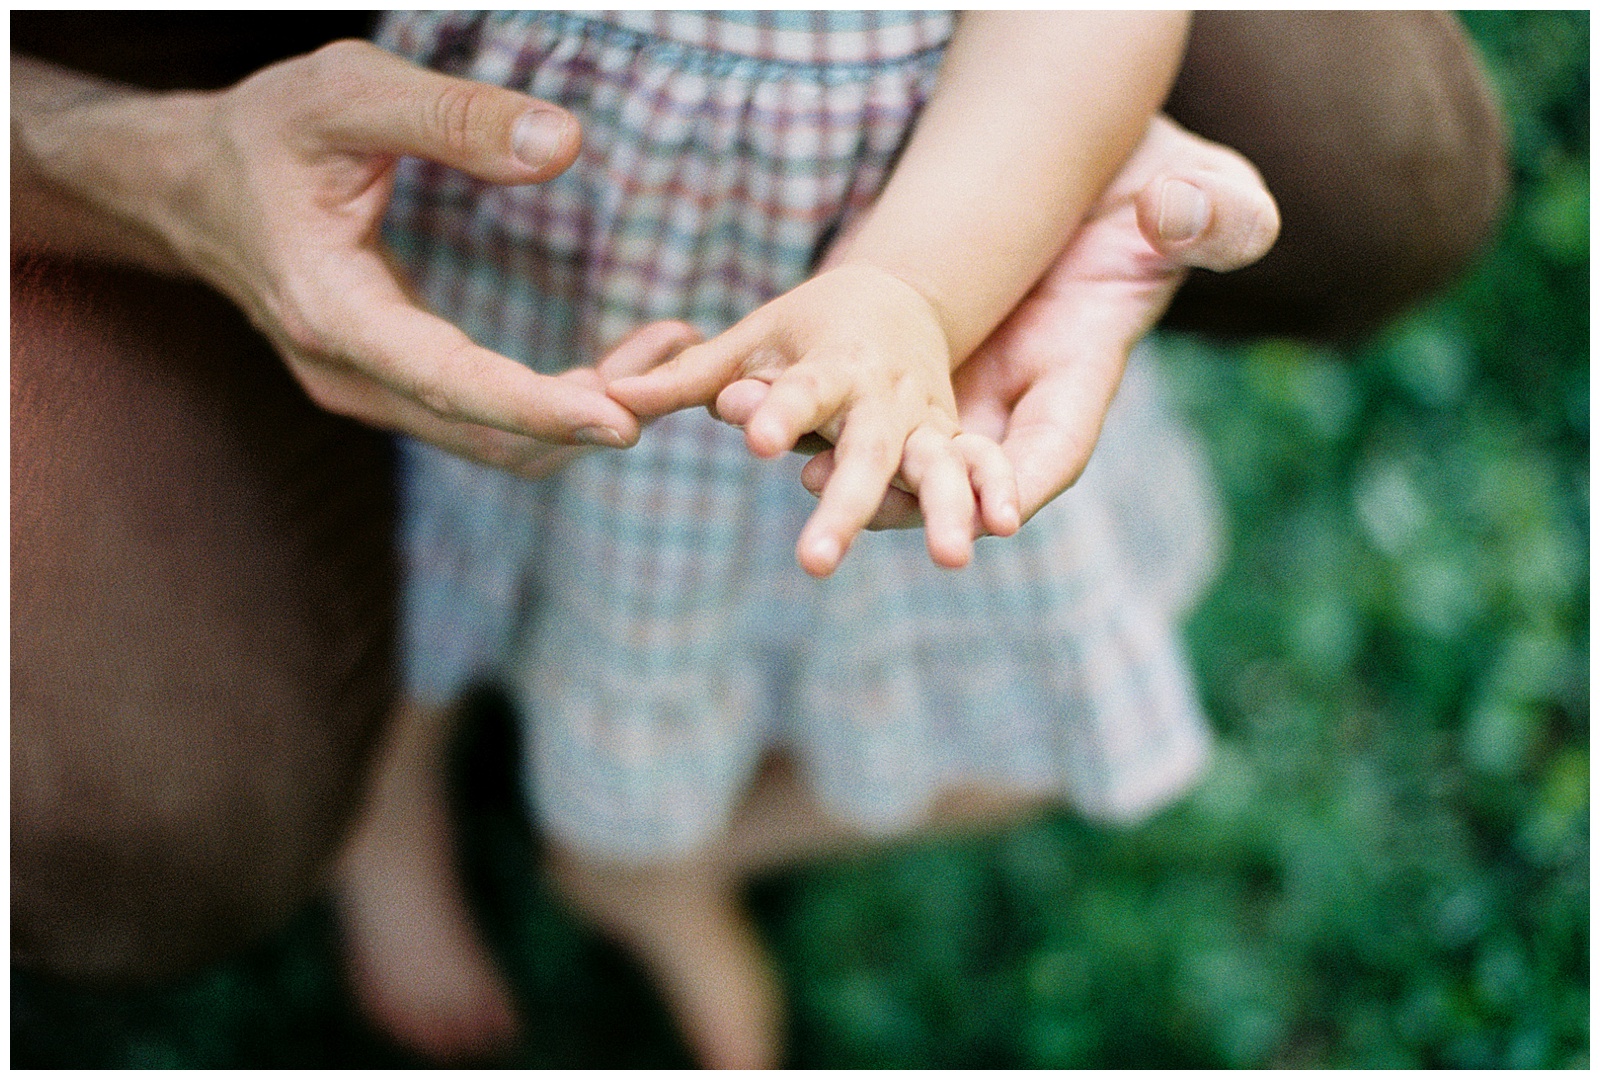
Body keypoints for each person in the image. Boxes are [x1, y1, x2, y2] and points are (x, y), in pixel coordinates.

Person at [10, 9, 1506, 1068]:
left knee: (922, 630)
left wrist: (922, 286)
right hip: (516, 244)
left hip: (867, 252)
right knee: (443, 529)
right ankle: (386, 813)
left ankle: (660, 857)